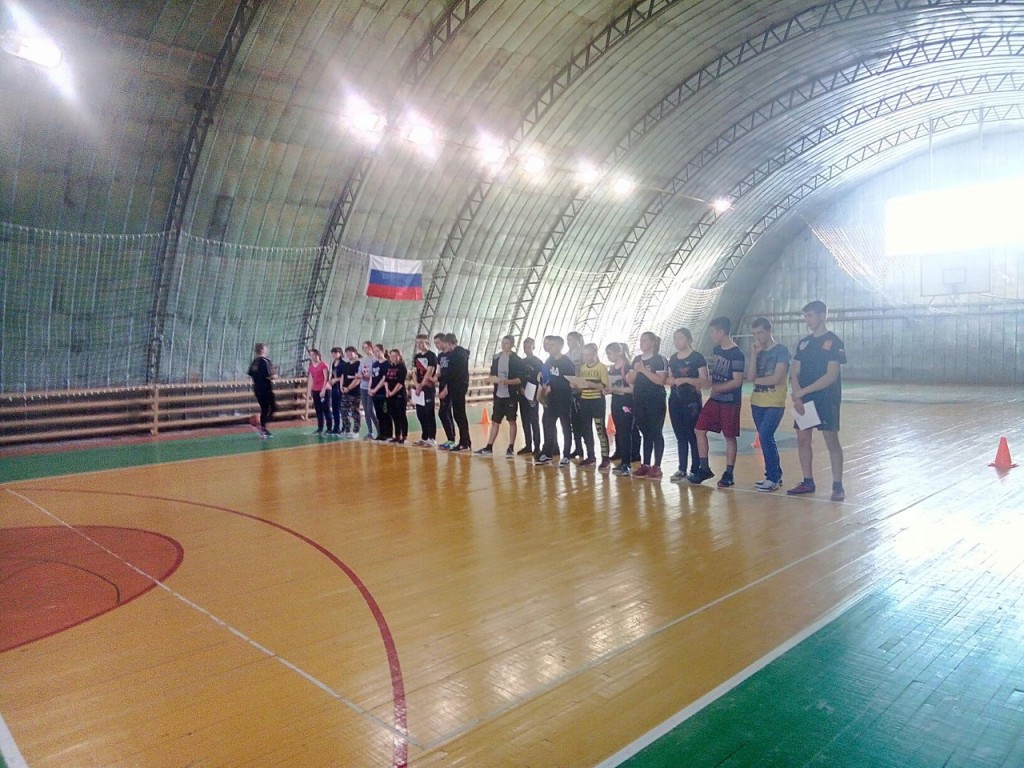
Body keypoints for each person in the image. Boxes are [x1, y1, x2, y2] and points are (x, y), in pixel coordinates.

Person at [788, 300, 847, 501]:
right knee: (803, 440)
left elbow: (831, 376)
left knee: (831, 440)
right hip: (804, 400)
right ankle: (807, 481)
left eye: (810, 315)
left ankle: (837, 486)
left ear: (822, 315)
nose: (807, 320)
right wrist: (798, 395)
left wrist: (803, 391)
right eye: (805, 316)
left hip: (827, 399)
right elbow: (794, 372)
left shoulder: (834, 342)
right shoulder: (803, 343)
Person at [689, 317, 745, 487]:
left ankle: (729, 473)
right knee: (699, 429)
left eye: (713, 332)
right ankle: (704, 468)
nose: (711, 335)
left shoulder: (736, 354)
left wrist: (717, 387)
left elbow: (737, 381)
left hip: (730, 402)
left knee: (729, 436)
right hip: (715, 399)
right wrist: (706, 384)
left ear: (721, 332)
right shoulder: (717, 349)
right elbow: (715, 375)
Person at [746, 317, 790, 492]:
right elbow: (750, 377)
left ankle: (772, 477)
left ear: (769, 331)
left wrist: (758, 381)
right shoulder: (758, 351)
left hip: (774, 401)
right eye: (754, 334)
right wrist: (754, 355)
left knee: (765, 436)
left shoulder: (781, 350)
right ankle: (775, 474)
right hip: (757, 401)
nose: (758, 337)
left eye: (760, 333)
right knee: (766, 439)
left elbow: (777, 378)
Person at [667, 328, 708, 483]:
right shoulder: (673, 358)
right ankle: (682, 468)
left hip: (691, 401)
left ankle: (695, 468)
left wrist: (686, 380)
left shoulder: (697, 357)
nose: (677, 341)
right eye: (675, 338)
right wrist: (673, 380)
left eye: (681, 338)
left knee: (692, 434)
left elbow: (704, 380)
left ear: (689, 340)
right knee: (680, 435)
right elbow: (668, 378)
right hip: (675, 400)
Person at [627, 331, 668, 479]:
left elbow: (660, 380)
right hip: (639, 399)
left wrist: (643, 370)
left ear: (653, 342)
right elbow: (630, 380)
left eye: (645, 340)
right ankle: (645, 464)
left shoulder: (659, 359)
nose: (641, 343)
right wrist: (636, 370)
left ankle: (657, 466)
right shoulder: (637, 359)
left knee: (656, 432)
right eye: (641, 340)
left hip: (655, 400)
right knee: (645, 432)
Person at [476, 335, 524, 457]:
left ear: (512, 345)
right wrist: (489, 380)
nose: (503, 345)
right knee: (495, 421)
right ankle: (489, 446)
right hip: (498, 395)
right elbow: (493, 374)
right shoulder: (496, 358)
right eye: (502, 343)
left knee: (511, 421)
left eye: (506, 343)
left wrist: (508, 382)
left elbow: (520, 379)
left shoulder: (517, 360)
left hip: (510, 396)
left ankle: (511, 447)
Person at [535, 335, 575, 467]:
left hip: (563, 399)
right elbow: (549, 376)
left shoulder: (567, 363)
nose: (549, 347)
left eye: (552, 345)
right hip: (551, 400)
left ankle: (566, 455)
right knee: (548, 424)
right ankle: (547, 452)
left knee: (565, 426)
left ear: (559, 346)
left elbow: (569, 382)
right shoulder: (549, 361)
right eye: (549, 345)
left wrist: (553, 386)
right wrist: (545, 384)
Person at [575, 343, 610, 469]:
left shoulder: (601, 367)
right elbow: (581, 386)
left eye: (590, 355)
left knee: (600, 430)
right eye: (585, 355)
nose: (587, 358)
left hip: (597, 401)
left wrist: (591, 384)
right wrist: (576, 385)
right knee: (586, 430)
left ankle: (605, 458)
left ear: (595, 354)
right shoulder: (583, 368)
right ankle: (591, 456)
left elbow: (605, 386)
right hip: (585, 401)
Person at [607, 343, 635, 476]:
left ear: (618, 353)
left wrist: (615, 389)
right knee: (619, 431)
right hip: (616, 402)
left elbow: (632, 389)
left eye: (610, 353)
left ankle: (627, 463)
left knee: (626, 433)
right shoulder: (612, 368)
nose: (608, 356)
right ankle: (622, 459)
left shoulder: (627, 367)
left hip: (626, 403)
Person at [444, 333, 472, 452]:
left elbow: (455, 372)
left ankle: (464, 442)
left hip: (458, 387)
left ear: (449, 343)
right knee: (459, 415)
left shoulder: (457, 354)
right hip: (458, 387)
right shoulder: (460, 353)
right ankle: (465, 441)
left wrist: (448, 383)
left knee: (459, 415)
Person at [517, 337, 543, 456]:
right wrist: (521, 389)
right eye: (525, 347)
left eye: (529, 346)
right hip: (522, 393)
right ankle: (528, 445)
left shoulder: (538, 362)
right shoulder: (521, 362)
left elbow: (541, 379)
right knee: (525, 420)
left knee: (534, 420)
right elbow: (518, 377)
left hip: (533, 394)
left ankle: (537, 446)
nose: (526, 349)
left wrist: (537, 393)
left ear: (533, 347)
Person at [411, 334, 438, 447]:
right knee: (420, 413)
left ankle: (432, 438)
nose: (419, 345)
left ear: (427, 342)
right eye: (418, 343)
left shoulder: (431, 356)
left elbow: (429, 371)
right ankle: (425, 436)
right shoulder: (416, 357)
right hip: (419, 389)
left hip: (428, 388)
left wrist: (421, 385)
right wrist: (416, 384)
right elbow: (414, 372)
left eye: (421, 342)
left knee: (429, 413)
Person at [247, 342, 276, 438]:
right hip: (265, 388)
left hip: (257, 389)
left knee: (265, 409)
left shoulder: (255, 362)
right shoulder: (265, 361)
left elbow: (252, 373)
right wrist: (275, 376)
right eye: (266, 348)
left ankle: (263, 429)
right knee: (273, 408)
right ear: (262, 350)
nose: (267, 349)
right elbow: (269, 375)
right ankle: (261, 426)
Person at [435, 333, 457, 450]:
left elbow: (452, 374)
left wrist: (446, 389)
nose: (437, 345)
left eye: (438, 343)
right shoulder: (440, 356)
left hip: (449, 386)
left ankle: (451, 439)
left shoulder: (452, 355)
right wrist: (433, 378)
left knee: (443, 412)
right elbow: (439, 372)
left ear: (445, 342)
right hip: (442, 384)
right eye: (435, 343)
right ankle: (451, 439)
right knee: (447, 412)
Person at [566, 331, 586, 459]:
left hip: (582, 391)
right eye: (568, 340)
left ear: (578, 340)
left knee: (583, 421)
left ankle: (588, 449)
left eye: (571, 339)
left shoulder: (584, 353)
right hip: (571, 390)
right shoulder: (566, 355)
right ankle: (578, 447)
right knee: (574, 422)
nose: (569, 342)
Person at [368, 344, 392, 441]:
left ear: (382, 351)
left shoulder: (387, 364)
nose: (376, 353)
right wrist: (370, 388)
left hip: (382, 393)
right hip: (375, 394)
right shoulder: (375, 364)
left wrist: (375, 389)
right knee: (379, 414)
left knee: (386, 413)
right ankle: (381, 434)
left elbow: (384, 379)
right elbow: (371, 377)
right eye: (374, 352)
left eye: (377, 351)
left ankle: (388, 434)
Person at [385, 349, 408, 444]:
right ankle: (397, 435)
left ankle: (404, 436)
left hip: (399, 395)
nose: (393, 358)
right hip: (390, 395)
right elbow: (386, 380)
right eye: (391, 356)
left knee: (401, 415)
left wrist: (392, 392)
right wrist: (387, 391)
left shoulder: (402, 367)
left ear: (399, 356)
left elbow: (400, 383)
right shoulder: (390, 366)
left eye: (395, 356)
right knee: (394, 415)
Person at [307, 348, 331, 435]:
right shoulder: (311, 366)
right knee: (318, 410)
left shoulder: (323, 365)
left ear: (318, 355)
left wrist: (323, 390)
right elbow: (311, 379)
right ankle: (320, 428)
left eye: (314, 355)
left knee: (326, 409)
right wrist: (309, 391)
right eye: (311, 355)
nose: (313, 357)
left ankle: (329, 428)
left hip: (324, 390)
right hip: (315, 390)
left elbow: (326, 378)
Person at [358, 341, 379, 440]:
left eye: (367, 347)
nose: (366, 349)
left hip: (371, 387)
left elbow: (376, 374)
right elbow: (360, 371)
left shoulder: (375, 360)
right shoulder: (362, 360)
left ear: (371, 348)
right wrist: (360, 376)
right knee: (366, 410)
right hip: (363, 387)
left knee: (370, 410)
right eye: (364, 348)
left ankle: (379, 430)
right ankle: (370, 432)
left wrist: (369, 377)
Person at [340, 346, 362, 437]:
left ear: (355, 353)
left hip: (354, 392)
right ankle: (347, 429)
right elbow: (343, 376)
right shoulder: (346, 365)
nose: (348, 354)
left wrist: (349, 388)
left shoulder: (359, 364)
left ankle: (356, 431)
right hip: (345, 392)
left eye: (350, 352)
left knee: (354, 411)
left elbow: (358, 379)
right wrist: (341, 387)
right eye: (347, 353)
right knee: (343, 411)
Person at [328, 347, 346, 435]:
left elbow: (344, 376)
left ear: (340, 353)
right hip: (334, 388)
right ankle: (336, 427)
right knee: (335, 408)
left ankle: (345, 427)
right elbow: (333, 374)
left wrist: (337, 380)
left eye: (335, 353)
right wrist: (331, 380)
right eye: (332, 353)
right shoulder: (333, 363)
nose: (333, 355)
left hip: (341, 387)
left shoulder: (343, 364)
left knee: (342, 408)